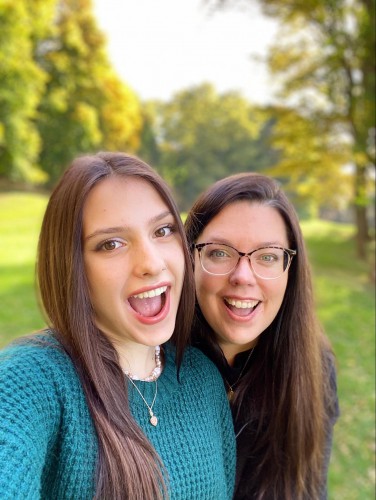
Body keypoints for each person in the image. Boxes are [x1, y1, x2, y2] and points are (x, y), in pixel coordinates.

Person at [0, 152, 236, 500]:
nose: (151, 263)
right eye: (111, 244)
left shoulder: (202, 379)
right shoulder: (32, 381)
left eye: (163, 230)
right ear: (72, 266)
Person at [185, 173, 339, 500]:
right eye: (220, 253)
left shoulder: (313, 368)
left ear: (289, 270)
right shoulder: (148, 361)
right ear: (190, 259)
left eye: (267, 256)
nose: (243, 276)